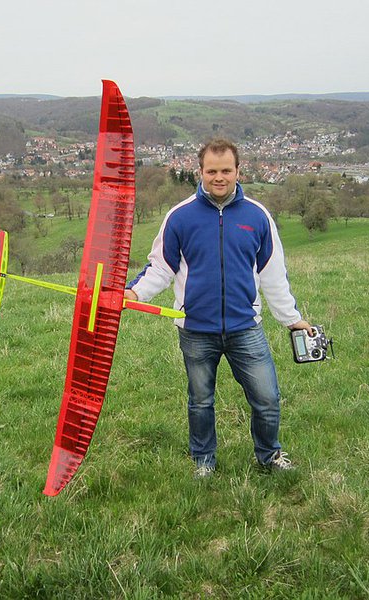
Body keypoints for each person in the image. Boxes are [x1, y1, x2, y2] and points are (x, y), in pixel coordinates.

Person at [124, 138, 313, 478]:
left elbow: (272, 273)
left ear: (238, 171)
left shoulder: (258, 216)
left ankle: (269, 456)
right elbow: (161, 267)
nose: (219, 177)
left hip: (245, 328)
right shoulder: (179, 217)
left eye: (226, 170)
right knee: (200, 402)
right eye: (212, 171)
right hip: (196, 329)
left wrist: (292, 319)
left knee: (267, 399)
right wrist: (135, 294)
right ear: (201, 172)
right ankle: (204, 461)